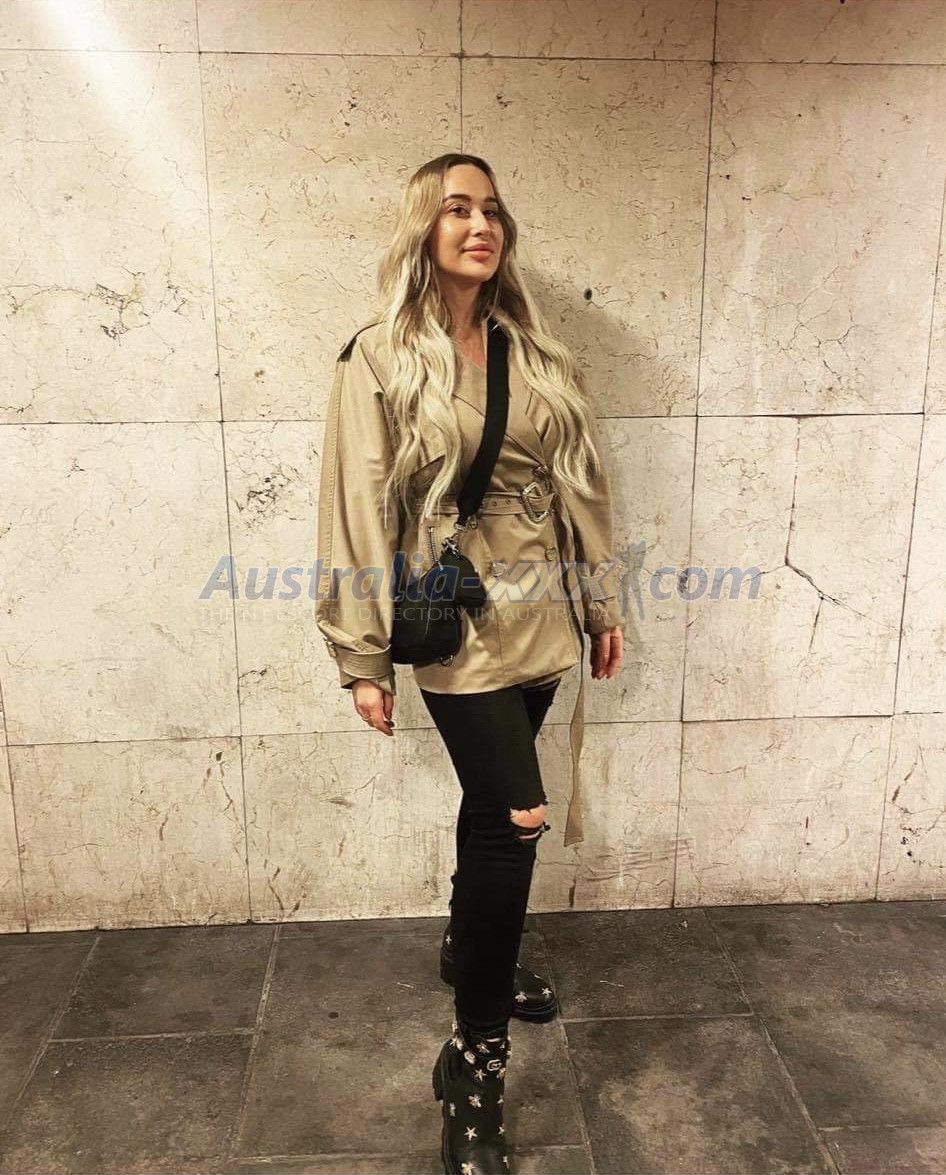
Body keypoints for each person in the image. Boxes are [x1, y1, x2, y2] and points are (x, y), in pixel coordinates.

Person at [316, 152, 625, 1175]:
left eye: (491, 209)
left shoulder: (533, 351)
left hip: (543, 619)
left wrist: (599, 599)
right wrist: (362, 650)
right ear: (424, 228)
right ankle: (474, 1062)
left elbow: (581, 481)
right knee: (518, 816)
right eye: (456, 208)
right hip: (458, 618)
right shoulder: (378, 356)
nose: (479, 224)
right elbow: (358, 503)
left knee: (493, 815)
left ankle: (467, 940)